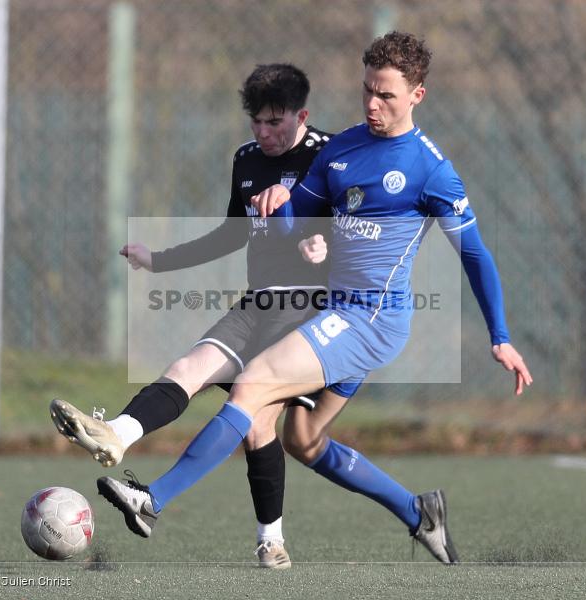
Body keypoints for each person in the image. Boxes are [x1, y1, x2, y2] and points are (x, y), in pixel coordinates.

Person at [93, 31, 533, 565]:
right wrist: (281, 206)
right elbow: (296, 221)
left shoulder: (430, 169)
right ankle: (418, 511)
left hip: (370, 320)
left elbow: (476, 254)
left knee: (252, 387)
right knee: (303, 440)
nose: (372, 103)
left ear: (418, 95)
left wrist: (500, 337)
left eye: (387, 95)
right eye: (367, 90)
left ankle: (152, 500)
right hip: (331, 310)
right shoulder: (343, 148)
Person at [50, 63, 361, 569]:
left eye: (275, 122)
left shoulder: (330, 156)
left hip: (310, 309)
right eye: (256, 122)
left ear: (301, 116)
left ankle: (264, 536)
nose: (264, 133)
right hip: (259, 302)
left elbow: (359, 231)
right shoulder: (246, 159)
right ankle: (118, 435)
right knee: (190, 369)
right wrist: (159, 260)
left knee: (256, 417)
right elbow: (231, 234)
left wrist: (324, 247)